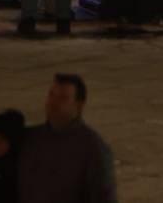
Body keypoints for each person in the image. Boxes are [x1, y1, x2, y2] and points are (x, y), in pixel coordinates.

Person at [17, 75, 116, 203]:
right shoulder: (31, 137)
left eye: (62, 98)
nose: (53, 102)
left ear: (78, 105)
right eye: (51, 95)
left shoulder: (93, 149)